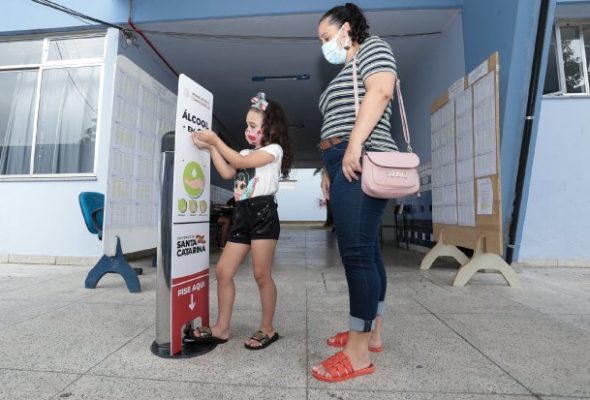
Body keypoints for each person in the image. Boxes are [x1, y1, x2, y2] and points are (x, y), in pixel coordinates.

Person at [312, 3, 398, 382]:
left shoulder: (373, 47)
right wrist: (327, 168)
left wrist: (352, 146)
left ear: (346, 29)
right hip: (343, 160)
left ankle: (358, 354)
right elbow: (339, 119)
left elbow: (380, 91)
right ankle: (371, 334)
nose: (323, 45)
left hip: (360, 157)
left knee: (357, 253)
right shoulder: (346, 69)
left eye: (326, 37)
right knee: (369, 251)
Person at [185, 92, 294, 350]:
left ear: (270, 128)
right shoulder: (244, 151)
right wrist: (212, 148)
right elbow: (227, 171)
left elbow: (241, 161)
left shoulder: (273, 150)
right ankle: (222, 328)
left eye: (253, 126)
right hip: (242, 213)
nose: (248, 130)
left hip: (263, 213)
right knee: (223, 271)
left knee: (261, 274)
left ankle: (267, 328)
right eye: (247, 125)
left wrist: (216, 141)